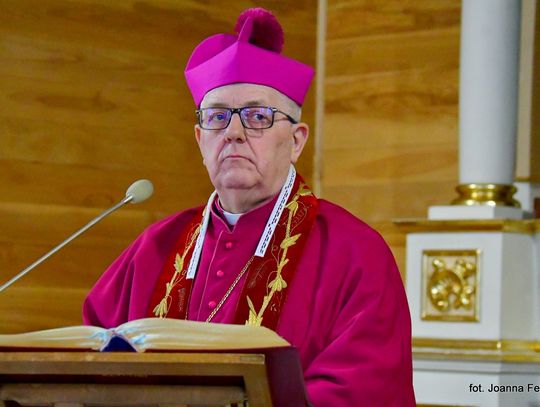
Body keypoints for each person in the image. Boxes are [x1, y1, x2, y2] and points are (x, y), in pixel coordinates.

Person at [83, 8, 415, 406]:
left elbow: (362, 391)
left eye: (258, 116)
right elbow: (88, 363)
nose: (234, 132)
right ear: (200, 139)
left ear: (296, 141)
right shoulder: (154, 248)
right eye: (217, 117)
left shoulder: (356, 253)